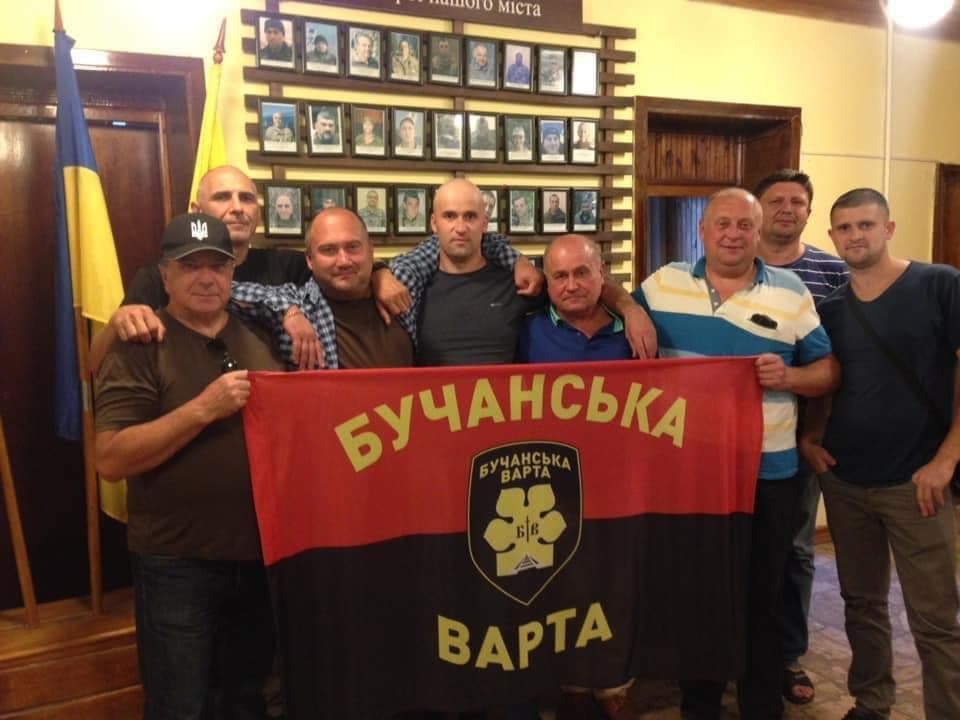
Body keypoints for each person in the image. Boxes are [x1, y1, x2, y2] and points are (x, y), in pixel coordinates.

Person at [634, 188, 839, 720]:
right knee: (696, 596)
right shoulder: (662, 284)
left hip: (767, 473)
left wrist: (789, 377)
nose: (732, 234)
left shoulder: (791, 292)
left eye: (744, 225)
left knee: (763, 595)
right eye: (722, 224)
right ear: (702, 230)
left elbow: (828, 372)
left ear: (758, 231)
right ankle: (699, 705)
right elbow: (613, 304)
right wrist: (629, 310)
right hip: (690, 474)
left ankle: (761, 705)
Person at [94, 212, 285, 719]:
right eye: (190, 265)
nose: (205, 277)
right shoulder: (140, 344)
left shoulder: (261, 340)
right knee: (180, 705)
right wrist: (203, 409)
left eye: (217, 266)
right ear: (165, 275)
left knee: (246, 701)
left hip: (257, 558)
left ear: (232, 272)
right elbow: (110, 458)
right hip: (177, 563)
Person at [801, 188, 960, 720]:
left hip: (918, 482)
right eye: (845, 228)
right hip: (847, 480)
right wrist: (812, 438)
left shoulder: (939, 285)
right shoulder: (830, 309)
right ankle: (871, 701)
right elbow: (829, 382)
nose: (855, 236)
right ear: (832, 236)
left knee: (935, 617)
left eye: (866, 225)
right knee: (862, 603)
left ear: (888, 228)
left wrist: (946, 459)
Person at [516, 234, 637, 720]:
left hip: (618, 484)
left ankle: (612, 679)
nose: (571, 285)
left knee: (615, 584)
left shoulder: (635, 329)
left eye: (582, 272)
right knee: (560, 586)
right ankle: (569, 681)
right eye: (560, 276)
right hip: (550, 488)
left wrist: (632, 309)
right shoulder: (526, 330)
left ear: (602, 273)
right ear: (546, 282)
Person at [752, 169, 848, 707]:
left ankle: (787, 655)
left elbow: (836, 360)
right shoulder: (735, 266)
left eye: (798, 201)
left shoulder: (834, 273)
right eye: (777, 200)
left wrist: (814, 428)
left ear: (809, 212)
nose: (787, 209)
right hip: (732, 440)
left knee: (795, 548)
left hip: (805, 436)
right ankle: (734, 648)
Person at [89, 165, 318, 374]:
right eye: (222, 197)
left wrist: (298, 313)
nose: (237, 208)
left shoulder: (292, 265)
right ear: (197, 210)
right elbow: (93, 365)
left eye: (246, 198)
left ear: (258, 213)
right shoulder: (161, 275)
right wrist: (116, 324)